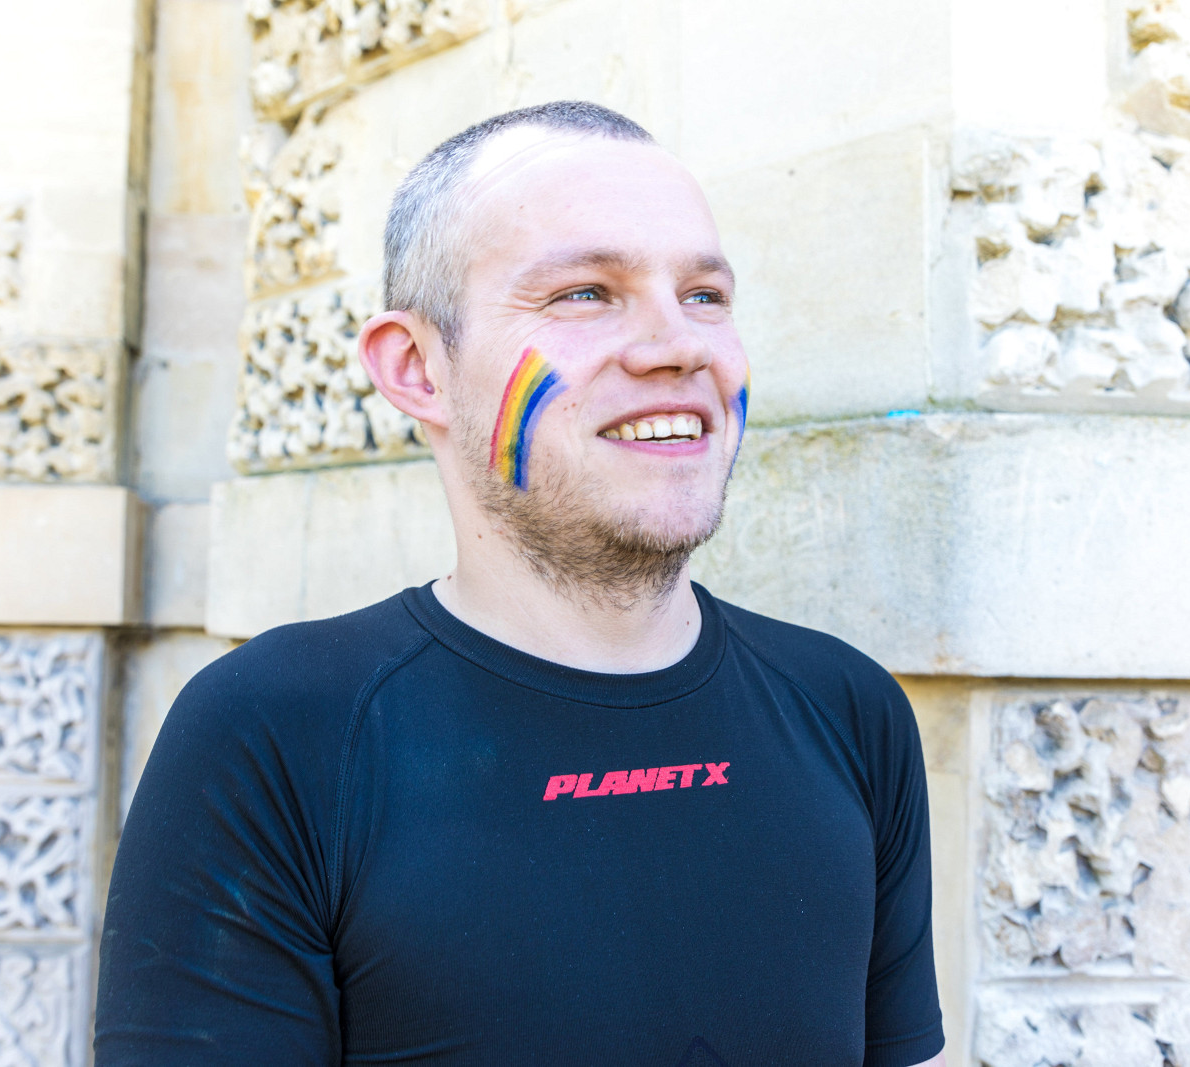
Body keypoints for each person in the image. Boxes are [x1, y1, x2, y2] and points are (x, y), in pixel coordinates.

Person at [95, 101, 946, 1067]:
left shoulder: (848, 709)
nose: (680, 345)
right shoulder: (279, 732)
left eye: (704, 294)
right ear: (417, 368)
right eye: (586, 293)